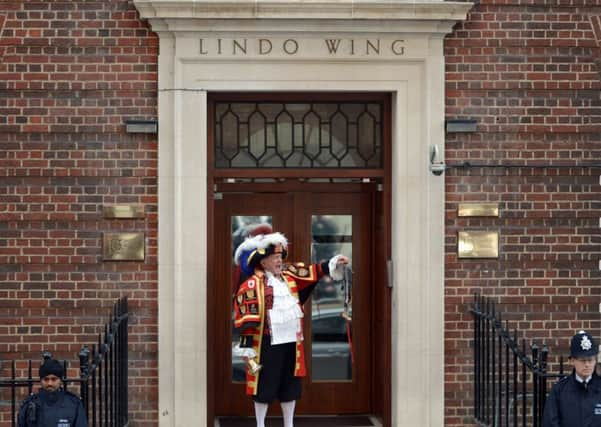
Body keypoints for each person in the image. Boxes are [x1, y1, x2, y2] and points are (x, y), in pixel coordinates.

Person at [233, 232, 348, 427]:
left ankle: (289, 423)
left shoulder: (289, 276)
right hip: (266, 344)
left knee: (290, 385)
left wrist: (334, 263)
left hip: (291, 343)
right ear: (264, 262)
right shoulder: (252, 284)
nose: (279, 261)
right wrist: (247, 348)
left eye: (280, 257)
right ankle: (260, 424)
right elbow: (246, 320)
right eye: (275, 258)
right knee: (264, 386)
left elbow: (314, 271)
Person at [542, 330, 601, 427]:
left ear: (595, 360)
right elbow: (550, 423)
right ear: (572, 361)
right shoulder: (559, 391)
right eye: (582, 360)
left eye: (590, 360)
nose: (587, 364)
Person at [18, 358, 88, 427]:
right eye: (46, 379)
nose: (49, 383)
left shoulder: (73, 404)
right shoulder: (30, 404)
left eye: (54, 379)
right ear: (41, 380)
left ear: (60, 380)